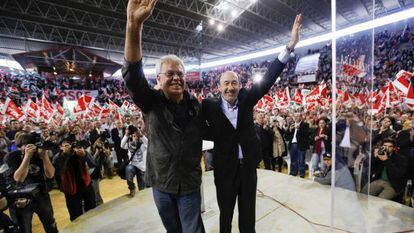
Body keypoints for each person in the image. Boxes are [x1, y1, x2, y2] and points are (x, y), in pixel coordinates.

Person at [201, 14, 302, 232]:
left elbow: (268, 79)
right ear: (218, 87)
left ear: (240, 85)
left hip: (247, 169)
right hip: (225, 171)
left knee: (248, 216)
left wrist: (290, 46)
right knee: (225, 215)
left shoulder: (247, 98)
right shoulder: (208, 106)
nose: (230, 88)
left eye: (234, 83)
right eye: (226, 84)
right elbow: (199, 128)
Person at [123, 0, 204, 232]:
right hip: (162, 183)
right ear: (158, 79)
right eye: (170, 74)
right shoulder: (151, 102)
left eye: (180, 73)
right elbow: (132, 77)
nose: (176, 77)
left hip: (188, 184)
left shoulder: (197, 107)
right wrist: (133, 26)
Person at [3, 133, 58, 233]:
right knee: (24, 229)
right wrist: (27, 157)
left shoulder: (39, 155)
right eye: (28, 145)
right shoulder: (12, 156)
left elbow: (50, 175)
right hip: (20, 199)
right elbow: (18, 178)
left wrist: (45, 157)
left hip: (41, 195)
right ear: (20, 146)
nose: (33, 148)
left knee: (51, 225)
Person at [53, 139, 96, 221]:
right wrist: (65, 155)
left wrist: (86, 154)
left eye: (70, 145)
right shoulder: (57, 156)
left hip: (86, 185)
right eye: (65, 146)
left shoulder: (79, 152)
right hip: (71, 190)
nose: (69, 147)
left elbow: (93, 164)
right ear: (60, 147)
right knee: (76, 216)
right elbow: (59, 172)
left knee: (92, 210)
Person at [120, 128, 148, 197]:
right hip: (132, 166)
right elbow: (122, 145)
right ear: (131, 137)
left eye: (137, 136)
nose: (135, 138)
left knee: (142, 188)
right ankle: (132, 188)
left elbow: (148, 142)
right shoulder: (129, 145)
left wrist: (141, 135)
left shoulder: (143, 145)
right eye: (134, 136)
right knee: (128, 169)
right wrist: (126, 134)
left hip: (142, 168)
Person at [285, 112, 310, 178]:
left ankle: (302, 174)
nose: (296, 117)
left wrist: (299, 128)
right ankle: (293, 172)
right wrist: (289, 130)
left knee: (301, 160)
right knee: (293, 160)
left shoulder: (305, 124)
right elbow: (286, 136)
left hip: (301, 144)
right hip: (292, 144)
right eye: (295, 116)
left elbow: (306, 134)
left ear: (301, 117)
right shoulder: (291, 124)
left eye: (297, 116)